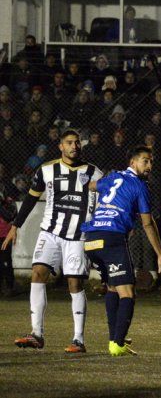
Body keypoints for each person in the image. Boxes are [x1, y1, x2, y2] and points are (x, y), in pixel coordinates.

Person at [6, 130, 103, 353]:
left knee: (75, 283)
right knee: (38, 273)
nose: (74, 146)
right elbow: (31, 198)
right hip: (50, 232)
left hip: (78, 236)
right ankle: (37, 334)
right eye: (69, 143)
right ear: (61, 146)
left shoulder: (94, 173)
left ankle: (78, 339)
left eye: (77, 142)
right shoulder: (46, 170)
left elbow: (102, 205)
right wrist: (15, 225)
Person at [80, 146, 161, 356]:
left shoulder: (112, 178)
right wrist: (160, 254)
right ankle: (117, 343)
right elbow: (147, 224)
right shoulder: (139, 186)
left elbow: (90, 186)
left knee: (113, 288)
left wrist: (81, 179)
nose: (149, 165)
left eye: (151, 161)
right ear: (133, 163)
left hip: (91, 240)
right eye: (145, 161)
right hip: (111, 239)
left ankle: (115, 339)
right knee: (128, 292)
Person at [0, 184, 17, 296]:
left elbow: (10, 216)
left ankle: (9, 287)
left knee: (6, 262)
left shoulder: (9, 202)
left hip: (4, 236)